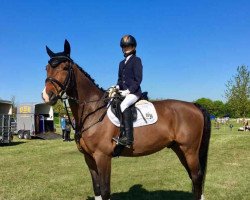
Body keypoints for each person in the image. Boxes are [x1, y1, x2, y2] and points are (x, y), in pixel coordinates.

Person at [115, 34, 143, 147]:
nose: (126, 49)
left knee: (123, 105)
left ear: (134, 47)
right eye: (124, 47)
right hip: (123, 92)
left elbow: (138, 79)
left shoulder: (136, 60)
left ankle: (128, 138)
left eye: (129, 46)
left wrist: (129, 91)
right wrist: (117, 87)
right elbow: (120, 79)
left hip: (134, 92)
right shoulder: (121, 63)